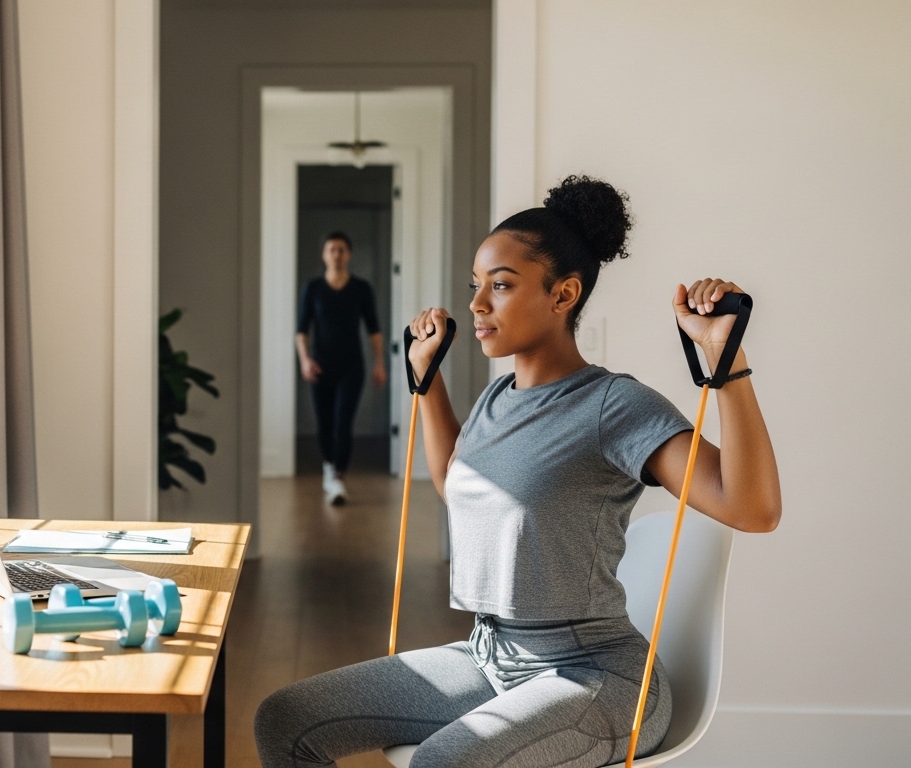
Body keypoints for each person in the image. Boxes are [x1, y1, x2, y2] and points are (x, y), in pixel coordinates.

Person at [256, 176, 781, 767]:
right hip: (489, 658)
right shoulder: (495, 398)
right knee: (286, 721)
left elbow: (753, 508)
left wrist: (727, 362)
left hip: (594, 676)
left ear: (564, 295)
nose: (477, 303)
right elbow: (456, 485)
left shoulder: (612, 405)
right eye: (476, 285)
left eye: (501, 285)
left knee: (441, 764)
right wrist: (427, 382)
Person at [296, 231, 387, 505]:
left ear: (348, 254)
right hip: (320, 367)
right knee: (324, 424)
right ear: (324, 255)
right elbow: (302, 330)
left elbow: (374, 329)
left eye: (341, 250)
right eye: (331, 249)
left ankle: (338, 476)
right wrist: (305, 360)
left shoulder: (361, 289)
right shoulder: (313, 288)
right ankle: (329, 467)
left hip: (351, 367)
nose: (336, 254)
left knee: (343, 423)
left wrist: (379, 363)